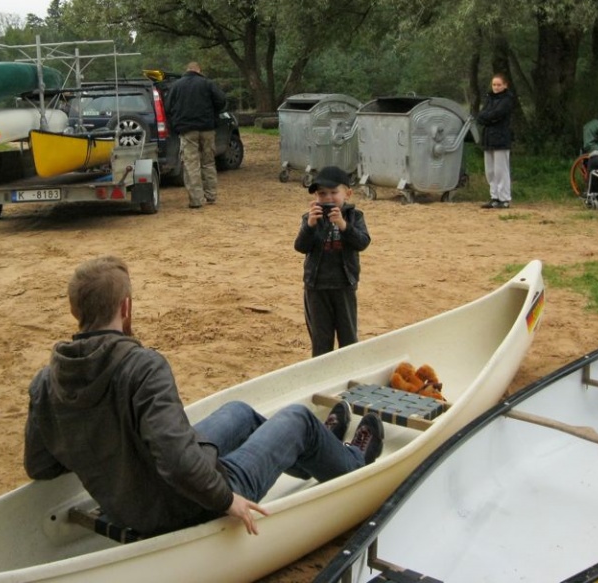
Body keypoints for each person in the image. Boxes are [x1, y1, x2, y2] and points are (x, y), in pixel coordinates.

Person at [23, 256, 384, 537]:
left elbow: (40, 466)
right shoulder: (142, 367)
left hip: (129, 503)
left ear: (75, 310)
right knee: (299, 420)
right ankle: (353, 462)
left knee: (239, 412)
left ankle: (317, 453)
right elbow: (177, 462)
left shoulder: (47, 381)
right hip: (188, 504)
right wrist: (226, 500)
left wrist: (100, 449)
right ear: (126, 307)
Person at [293, 166, 371, 357]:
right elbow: (301, 247)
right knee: (321, 341)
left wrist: (344, 225)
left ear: (348, 194)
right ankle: (322, 372)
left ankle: (349, 370)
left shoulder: (354, 216)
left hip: (344, 284)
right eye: (322, 193)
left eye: (334, 192)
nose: (328, 198)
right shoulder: (310, 218)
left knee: (349, 339)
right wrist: (310, 226)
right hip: (316, 286)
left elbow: (362, 242)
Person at [165, 61, 228, 208]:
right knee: (208, 162)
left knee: (191, 164)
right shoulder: (207, 83)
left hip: (187, 130)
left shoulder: (176, 86)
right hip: (207, 129)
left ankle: (196, 200)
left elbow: (168, 107)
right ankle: (211, 195)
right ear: (199, 70)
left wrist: (176, 120)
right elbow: (222, 100)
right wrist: (213, 113)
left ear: (187, 70)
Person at [475, 74, 515, 209]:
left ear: (505, 85)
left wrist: (487, 117)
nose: (496, 87)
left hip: (501, 138)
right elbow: (481, 115)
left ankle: (504, 198)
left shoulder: (507, 100)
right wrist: (487, 117)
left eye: (499, 85)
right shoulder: (489, 98)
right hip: (488, 138)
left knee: (501, 170)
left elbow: (497, 114)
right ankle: (494, 197)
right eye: (494, 85)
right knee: (490, 170)